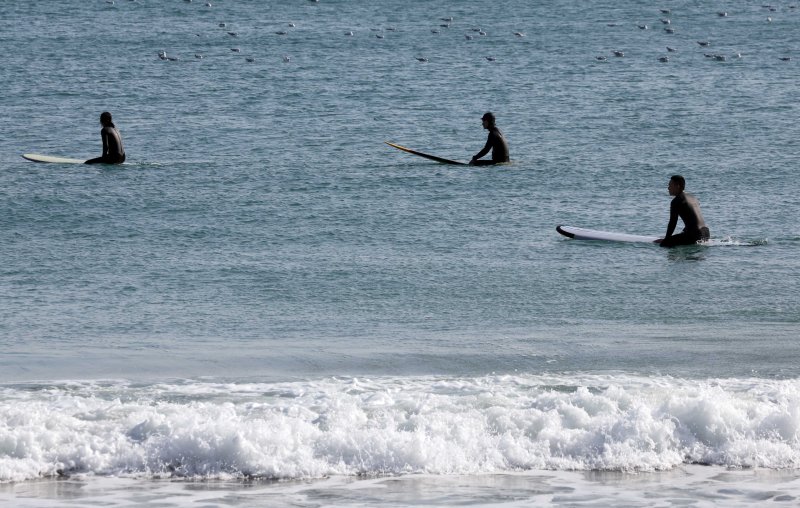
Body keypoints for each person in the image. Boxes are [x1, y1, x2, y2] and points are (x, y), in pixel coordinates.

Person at [655, 175, 710, 247]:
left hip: (694, 235)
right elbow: (693, 219)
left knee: (664, 244)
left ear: (677, 186)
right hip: (706, 233)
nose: (668, 188)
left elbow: (673, 222)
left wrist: (666, 239)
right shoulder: (692, 197)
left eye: (670, 185)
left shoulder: (676, 201)